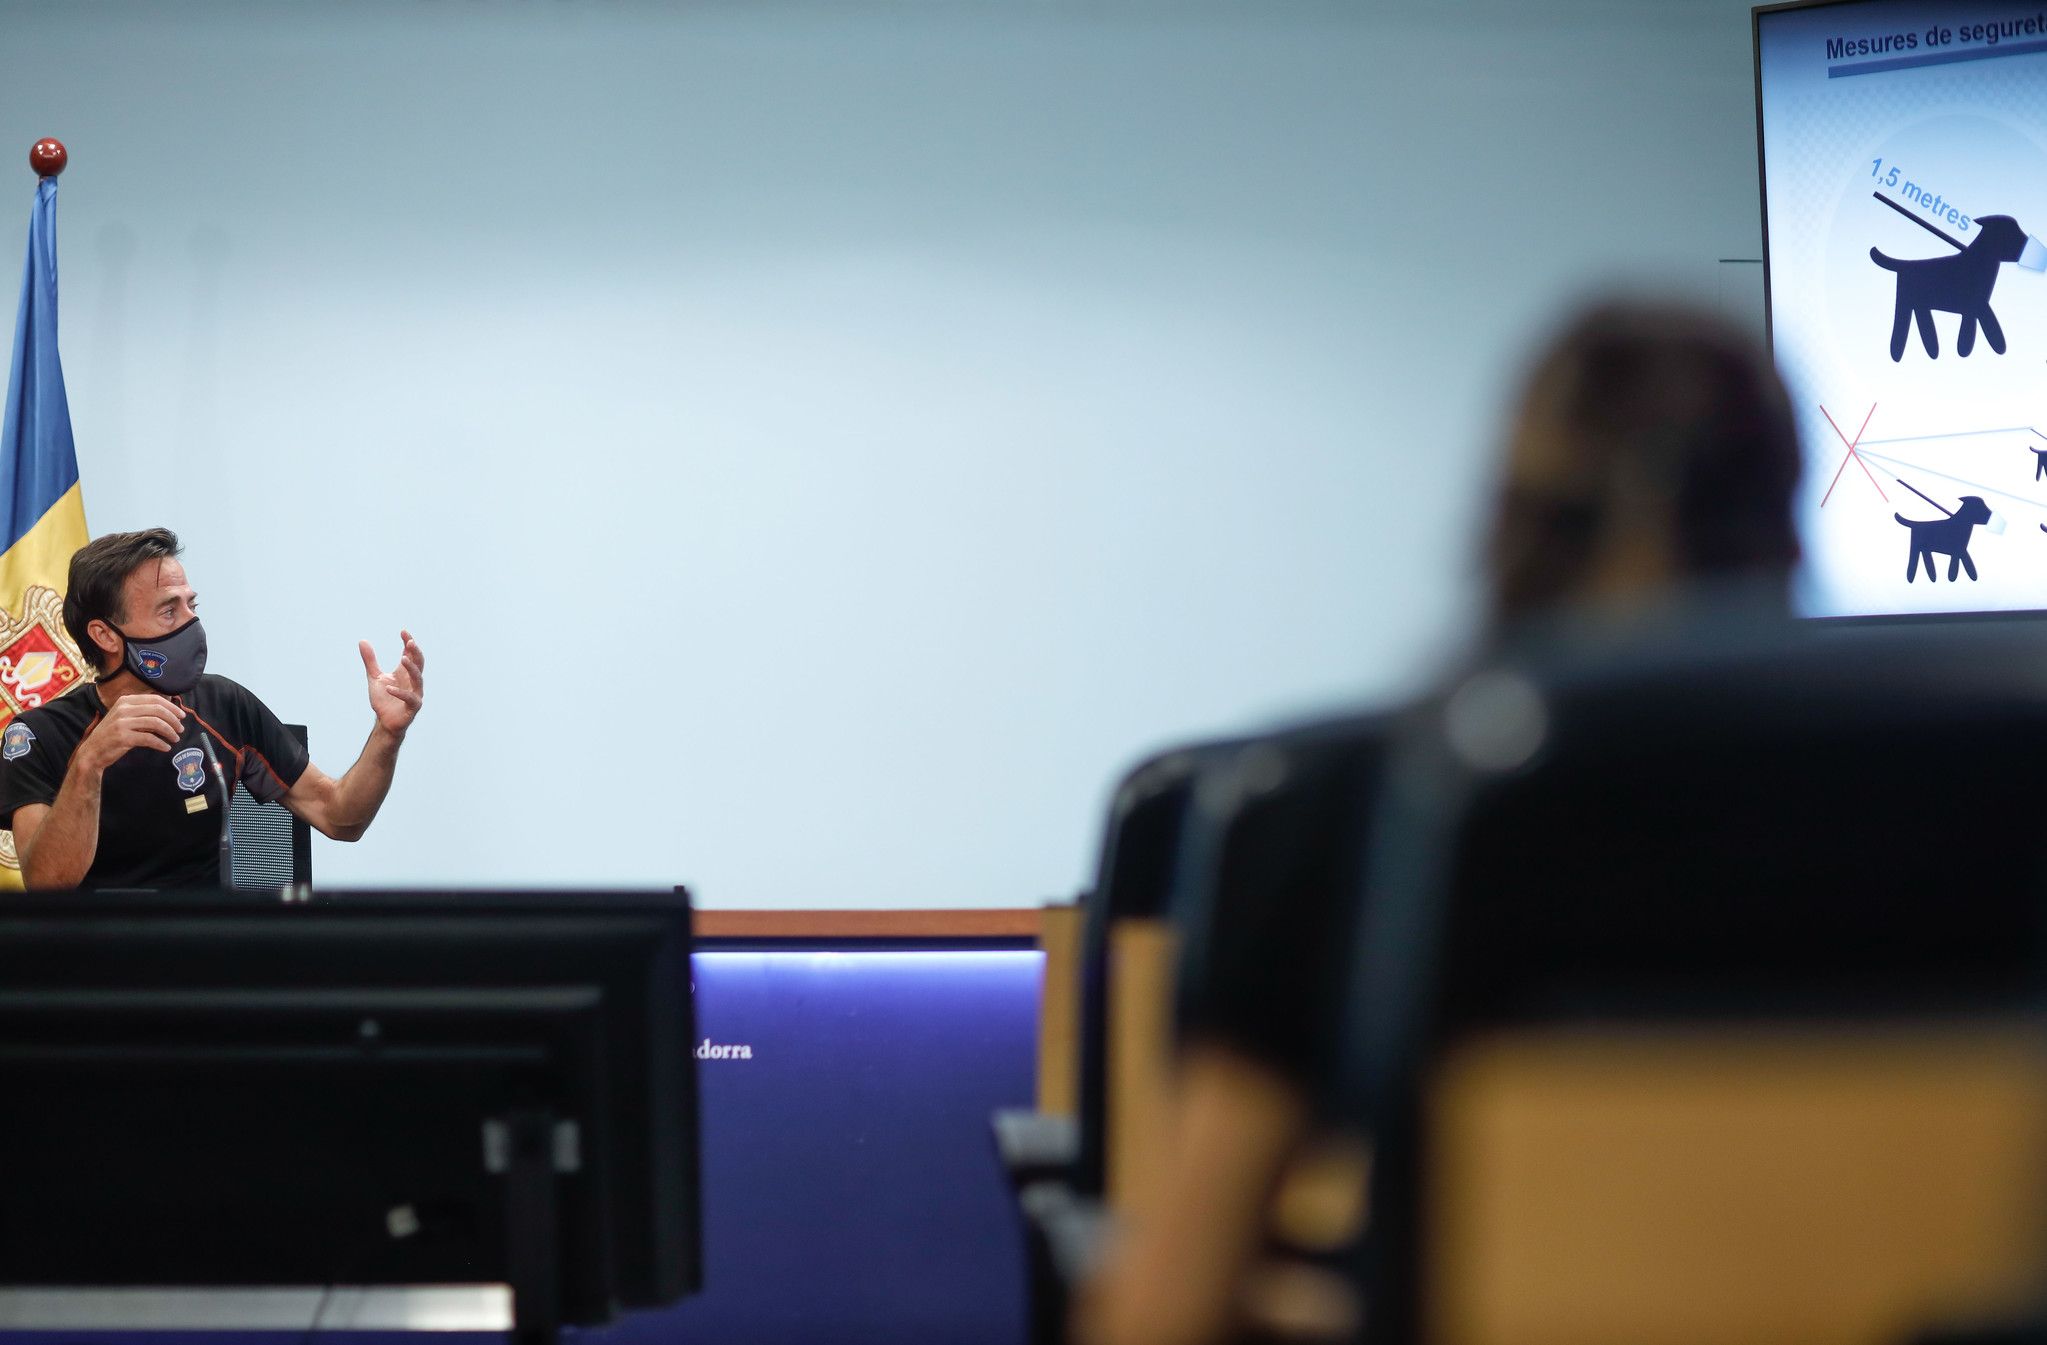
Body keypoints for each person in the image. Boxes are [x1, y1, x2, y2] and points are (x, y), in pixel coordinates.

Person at [1076, 300, 1803, 1345]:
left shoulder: (1336, 807)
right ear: (1781, 521)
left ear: (1508, 520)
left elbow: (1168, 1307)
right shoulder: (1969, 808)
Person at [0, 528, 425, 890]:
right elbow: (47, 882)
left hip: (204, 957)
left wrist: (388, 734)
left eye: (192, 605)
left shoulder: (224, 705)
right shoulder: (36, 735)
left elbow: (340, 818)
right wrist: (89, 764)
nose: (191, 624)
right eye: (169, 610)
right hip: (92, 968)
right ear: (105, 635)